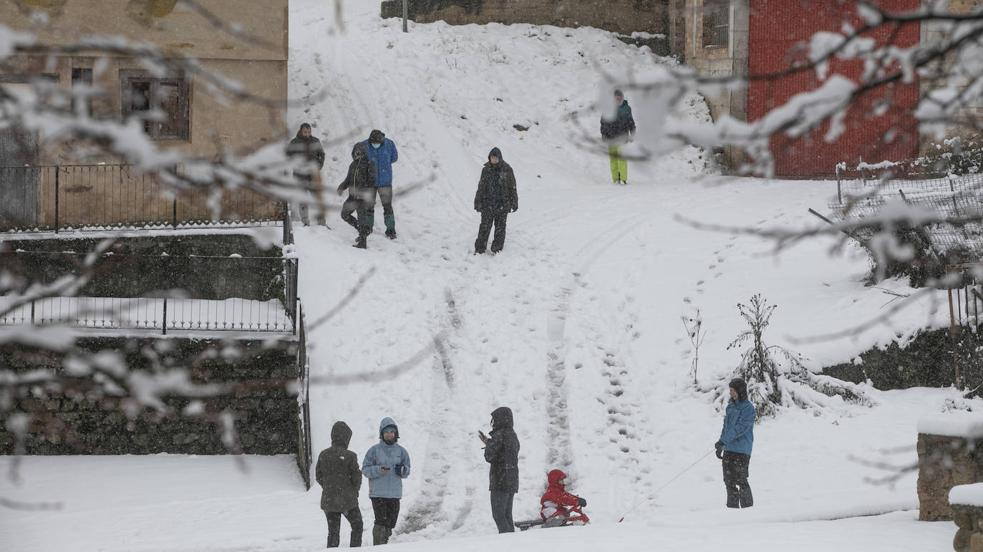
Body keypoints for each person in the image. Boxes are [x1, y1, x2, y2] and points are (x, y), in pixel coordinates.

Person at [362, 417, 411, 545]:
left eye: (392, 432)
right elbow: (365, 469)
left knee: (390, 523)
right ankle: (378, 546)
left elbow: (407, 470)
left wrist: (402, 470)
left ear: (396, 434)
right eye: (386, 432)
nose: (389, 434)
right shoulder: (374, 450)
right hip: (378, 494)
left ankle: (385, 543)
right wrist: (378, 470)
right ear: (382, 434)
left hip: (394, 494)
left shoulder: (402, 451)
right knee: (380, 522)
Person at [315, 421, 363, 548]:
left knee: (333, 533)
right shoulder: (350, 456)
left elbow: (318, 476)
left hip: (329, 500)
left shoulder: (323, 454)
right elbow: (357, 477)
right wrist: (354, 491)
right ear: (346, 438)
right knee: (357, 526)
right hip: (348, 500)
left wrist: (328, 487)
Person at [715, 377, 755, 509]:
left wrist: (724, 440)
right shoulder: (730, 407)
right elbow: (726, 427)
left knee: (741, 480)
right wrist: (721, 442)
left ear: (740, 391)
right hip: (729, 449)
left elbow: (740, 428)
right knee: (728, 481)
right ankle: (732, 510)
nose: (731, 393)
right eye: (730, 390)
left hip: (742, 450)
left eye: (733, 390)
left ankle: (748, 509)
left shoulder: (748, 408)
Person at [478, 406, 520, 534]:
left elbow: (490, 456)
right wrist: (489, 442)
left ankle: (506, 543)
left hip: (500, 480)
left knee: (499, 515)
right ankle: (512, 542)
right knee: (507, 515)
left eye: (494, 419)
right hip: (511, 479)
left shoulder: (499, 434)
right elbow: (505, 453)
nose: (493, 422)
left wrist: (488, 444)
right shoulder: (512, 434)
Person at [354, 130, 399, 239]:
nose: (374, 144)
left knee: (387, 206)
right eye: (372, 142)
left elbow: (394, 157)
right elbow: (356, 158)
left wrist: (384, 167)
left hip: (385, 181)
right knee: (369, 205)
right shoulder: (364, 145)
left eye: (377, 143)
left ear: (382, 140)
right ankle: (368, 227)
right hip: (370, 182)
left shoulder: (389, 144)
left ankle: (390, 230)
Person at [473, 147, 518, 255]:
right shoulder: (486, 169)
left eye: (495, 158)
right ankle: (480, 248)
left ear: (500, 158)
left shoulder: (507, 170)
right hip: (487, 204)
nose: (493, 160)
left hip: (502, 204)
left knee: (500, 228)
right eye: (492, 158)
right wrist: (477, 201)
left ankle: (496, 248)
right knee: (484, 227)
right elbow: (481, 187)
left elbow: (512, 187)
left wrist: (514, 201)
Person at [338, 142, 377, 249]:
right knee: (344, 214)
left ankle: (362, 242)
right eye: (356, 152)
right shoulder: (353, 165)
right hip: (352, 196)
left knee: (362, 219)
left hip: (363, 197)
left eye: (360, 152)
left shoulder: (369, 163)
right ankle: (362, 230)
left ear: (364, 152)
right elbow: (348, 179)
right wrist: (342, 186)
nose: (357, 154)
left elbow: (372, 180)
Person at [286, 122, 326, 225]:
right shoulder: (294, 142)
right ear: (300, 131)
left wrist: (319, 165)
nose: (307, 134)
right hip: (300, 175)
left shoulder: (315, 141)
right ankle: (305, 222)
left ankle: (321, 222)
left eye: (309, 132)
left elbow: (321, 154)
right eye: (305, 132)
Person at [599, 90, 636, 185]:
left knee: (622, 158)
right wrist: (603, 134)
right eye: (616, 96)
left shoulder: (627, 108)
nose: (618, 98)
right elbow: (603, 122)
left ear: (622, 97)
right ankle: (615, 179)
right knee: (613, 159)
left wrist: (633, 132)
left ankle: (623, 179)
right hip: (610, 137)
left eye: (620, 96)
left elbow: (631, 121)